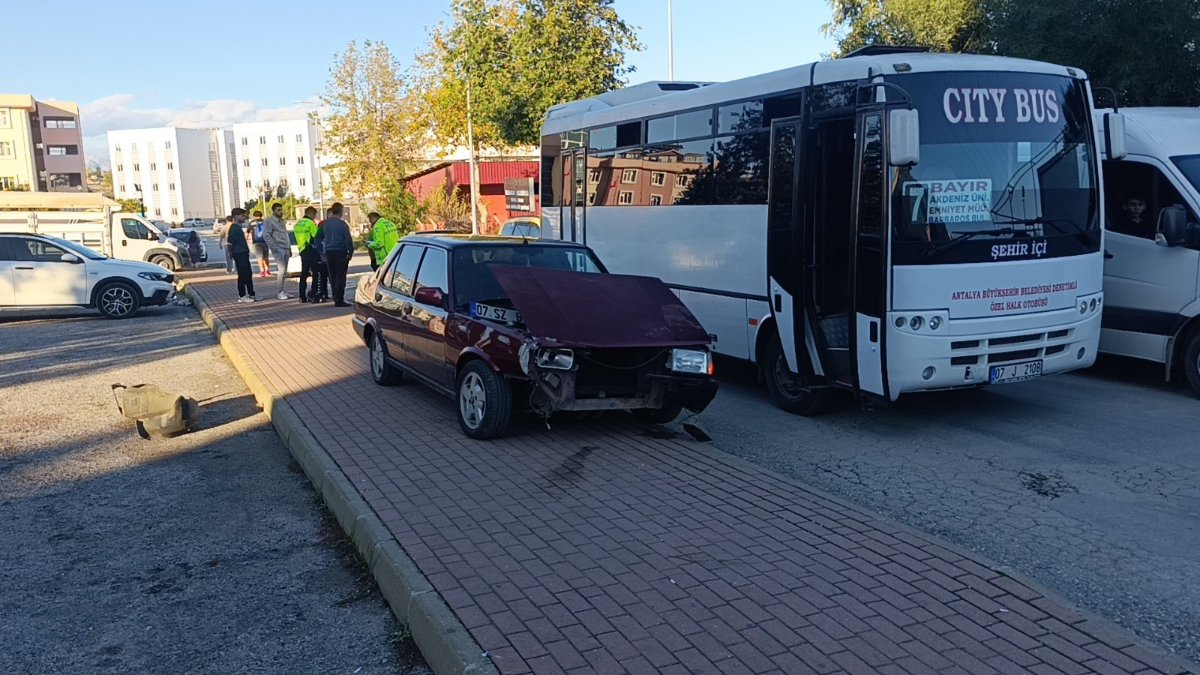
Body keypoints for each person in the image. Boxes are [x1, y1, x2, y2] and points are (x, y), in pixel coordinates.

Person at [321, 202, 354, 307]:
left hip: (329, 252)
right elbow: (348, 239)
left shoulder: (325, 224)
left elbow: (318, 238)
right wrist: (350, 252)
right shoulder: (342, 224)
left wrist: (321, 250)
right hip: (341, 252)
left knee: (332, 276)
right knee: (340, 276)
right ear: (340, 211)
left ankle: (336, 297)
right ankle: (339, 300)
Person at [261, 202, 291, 300]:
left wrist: (289, 247)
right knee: (281, 270)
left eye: (281, 209)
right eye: (278, 210)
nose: (281, 212)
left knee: (285, 271)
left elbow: (285, 234)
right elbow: (266, 235)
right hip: (278, 248)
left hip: (285, 247)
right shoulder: (270, 221)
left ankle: (283, 289)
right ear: (273, 211)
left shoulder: (282, 221)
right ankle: (279, 292)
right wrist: (274, 247)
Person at [226, 208, 255, 302]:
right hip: (239, 253)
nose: (243, 217)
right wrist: (233, 252)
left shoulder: (238, 227)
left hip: (243, 252)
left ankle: (251, 294)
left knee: (248, 274)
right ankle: (242, 295)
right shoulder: (234, 228)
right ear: (235, 216)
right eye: (241, 215)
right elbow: (230, 241)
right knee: (243, 274)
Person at [294, 206, 320, 303]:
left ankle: (302, 296)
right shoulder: (310, 223)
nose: (314, 217)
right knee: (315, 273)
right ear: (312, 214)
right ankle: (314, 295)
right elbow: (316, 236)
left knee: (303, 274)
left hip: (302, 250)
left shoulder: (298, 224)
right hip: (311, 249)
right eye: (314, 215)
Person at [248, 210, 270, 277]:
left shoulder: (252, 223)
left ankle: (262, 271)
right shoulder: (265, 222)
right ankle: (267, 270)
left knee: (259, 257)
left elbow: (248, 231)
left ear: (254, 216)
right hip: (265, 241)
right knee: (266, 257)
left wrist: (246, 239)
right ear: (261, 215)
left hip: (256, 242)